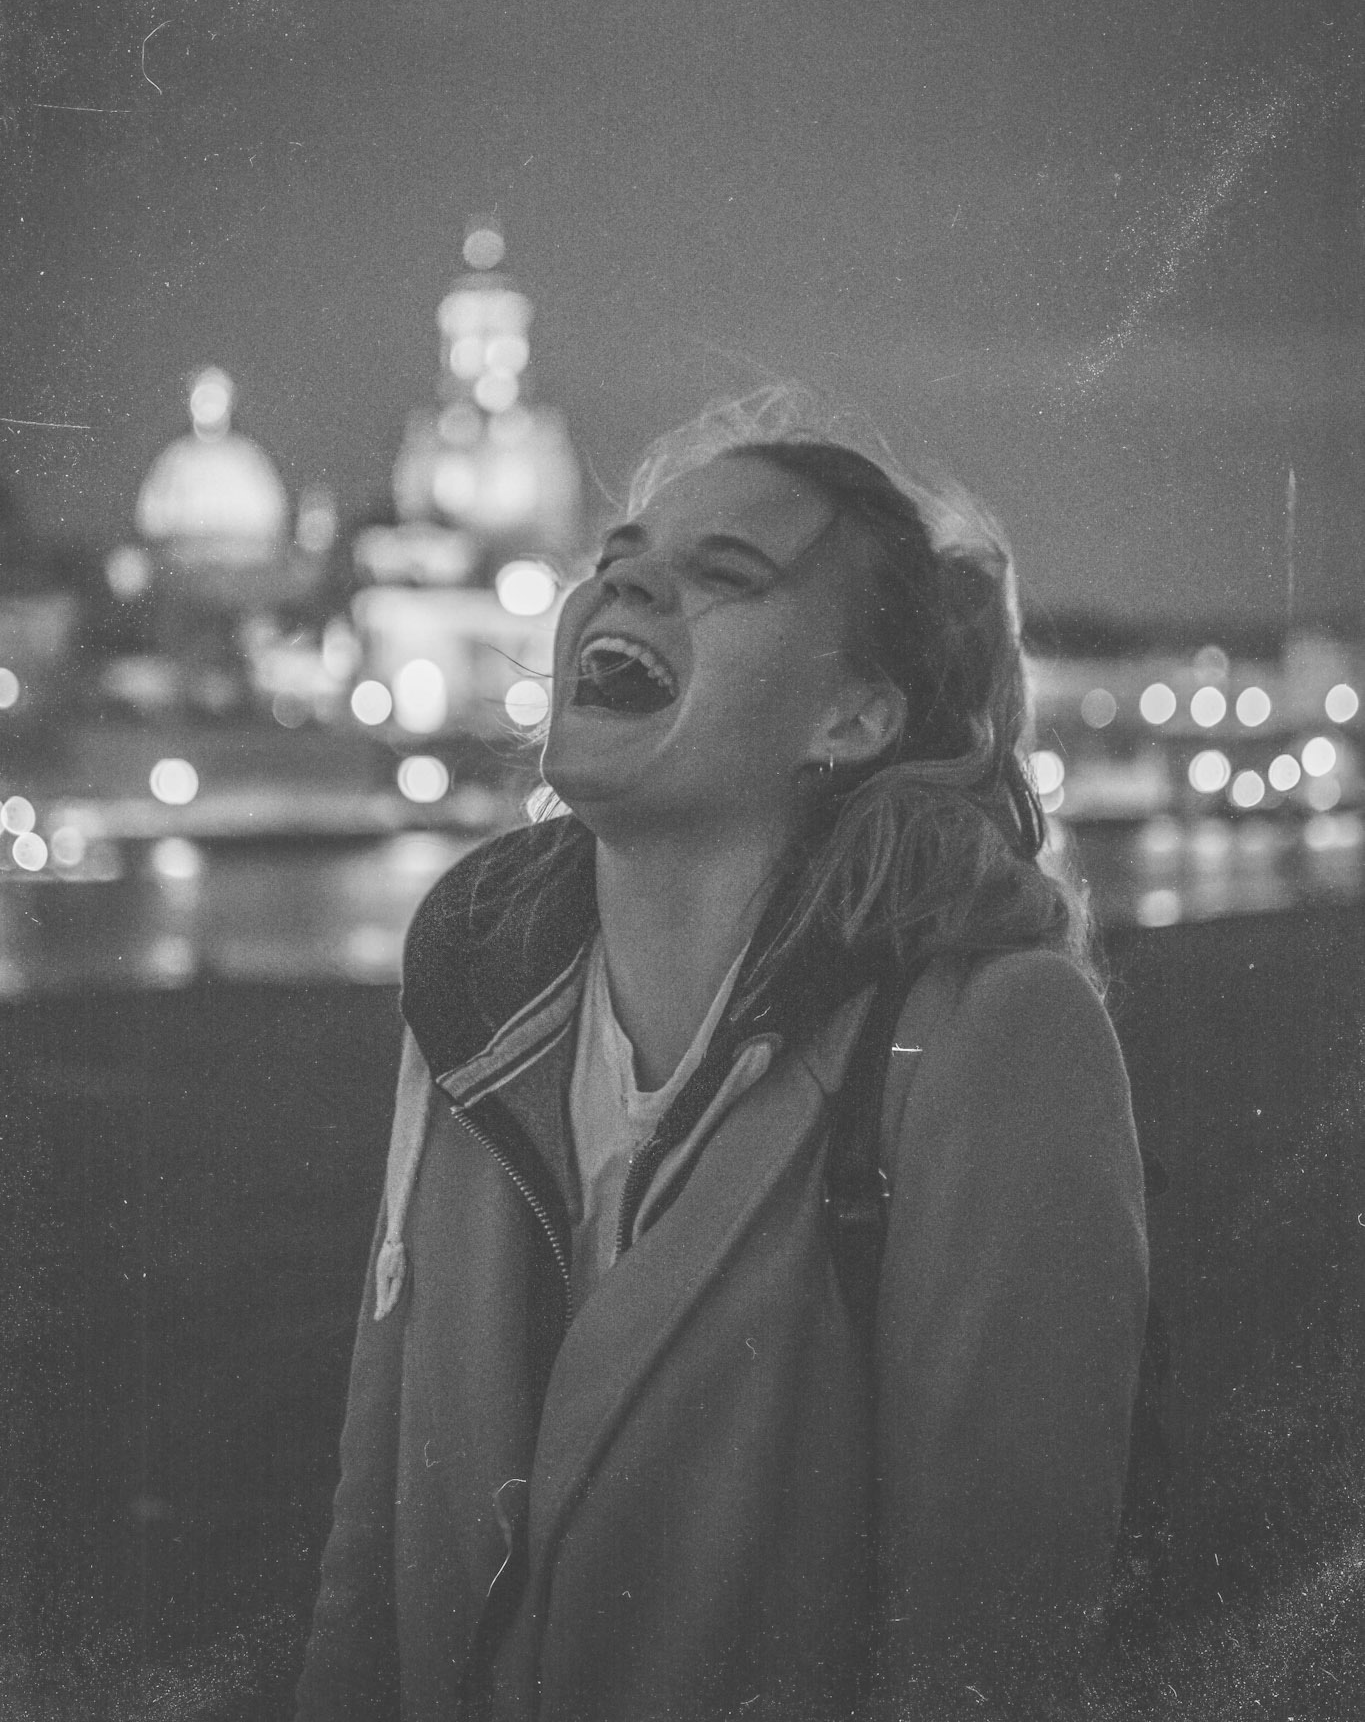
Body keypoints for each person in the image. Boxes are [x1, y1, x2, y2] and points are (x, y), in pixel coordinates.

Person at [296, 393, 1149, 1722]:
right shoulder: (469, 997)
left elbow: (987, 1658)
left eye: (728, 572)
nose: (625, 582)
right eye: (620, 555)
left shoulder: (994, 1039)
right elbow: (372, 1561)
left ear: (852, 720)